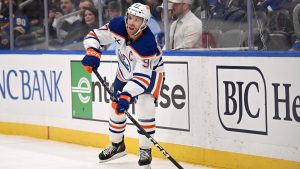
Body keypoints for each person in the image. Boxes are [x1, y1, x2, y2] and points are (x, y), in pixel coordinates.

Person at [81, 3, 164, 168]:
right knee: (115, 107)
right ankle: (117, 145)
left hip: (151, 73)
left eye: (138, 20)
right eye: (131, 18)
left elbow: (142, 78)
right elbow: (94, 36)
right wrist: (92, 51)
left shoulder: (148, 44)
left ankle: (145, 149)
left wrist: (127, 94)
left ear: (145, 23)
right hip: (125, 70)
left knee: (145, 104)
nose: (132, 23)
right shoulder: (118, 25)